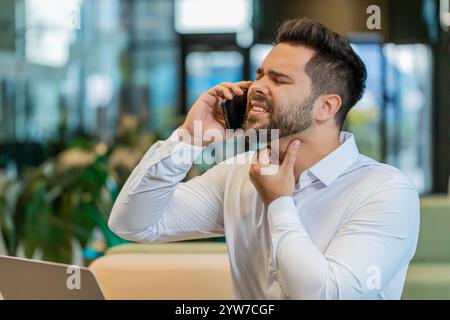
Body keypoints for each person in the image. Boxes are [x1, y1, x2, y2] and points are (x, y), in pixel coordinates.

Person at [108, 17, 420, 299]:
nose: (257, 86)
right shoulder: (237, 175)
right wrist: (189, 139)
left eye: (279, 79)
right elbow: (133, 224)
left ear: (326, 107)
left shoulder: (386, 192)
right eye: (260, 75)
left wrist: (278, 202)